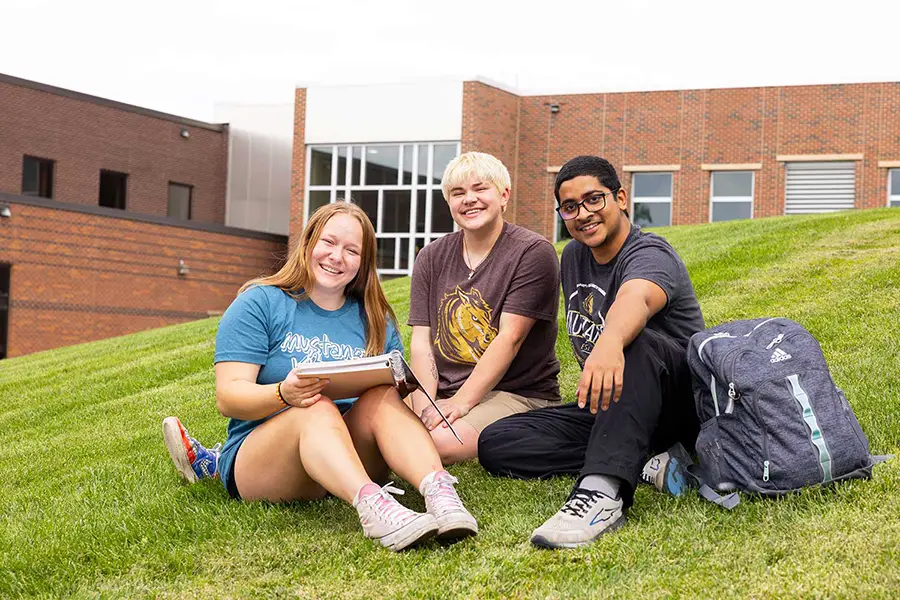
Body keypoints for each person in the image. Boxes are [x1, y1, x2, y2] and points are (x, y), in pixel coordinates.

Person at [162, 201, 477, 551]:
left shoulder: (375, 317)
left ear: (363, 262)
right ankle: (375, 508)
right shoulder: (261, 302)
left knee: (381, 397)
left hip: (349, 453)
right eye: (328, 242)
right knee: (317, 405)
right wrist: (284, 393)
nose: (336, 256)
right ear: (309, 243)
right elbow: (229, 397)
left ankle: (440, 495)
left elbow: (391, 404)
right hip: (268, 459)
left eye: (351, 250)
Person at [477, 155, 705, 549]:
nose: (583, 214)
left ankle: (601, 493)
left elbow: (635, 299)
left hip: (678, 402)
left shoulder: (650, 252)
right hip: (614, 404)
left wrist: (611, 343)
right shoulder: (574, 257)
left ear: (619, 198)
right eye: (569, 207)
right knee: (498, 443)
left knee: (639, 341)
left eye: (594, 200)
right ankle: (647, 459)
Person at [407, 151, 562, 464]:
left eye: (480, 189)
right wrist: (426, 400)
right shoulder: (431, 257)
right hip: (444, 391)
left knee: (436, 443)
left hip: (515, 393)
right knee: (382, 421)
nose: (469, 199)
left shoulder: (532, 253)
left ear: (503, 195)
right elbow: (422, 342)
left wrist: (461, 403)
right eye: (458, 193)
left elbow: (510, 338)